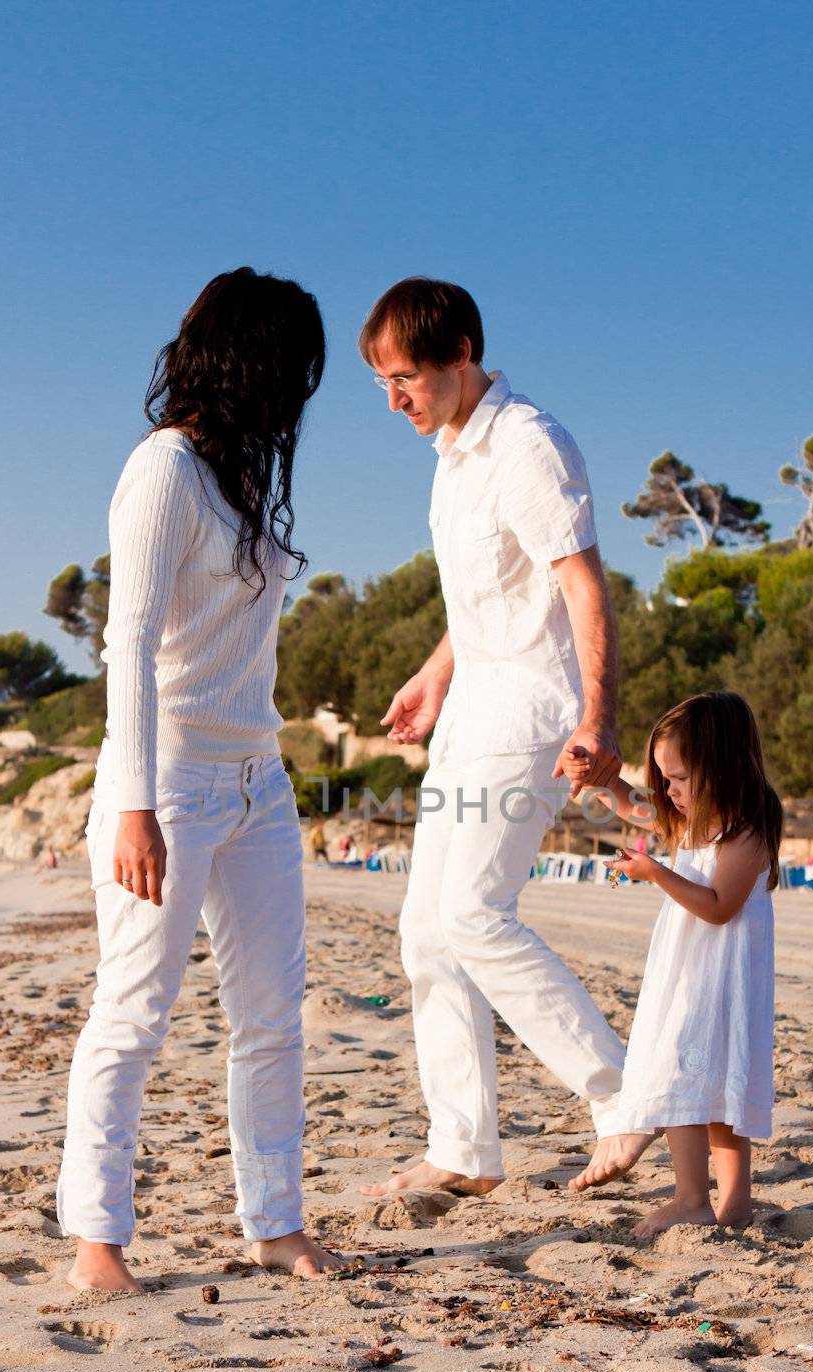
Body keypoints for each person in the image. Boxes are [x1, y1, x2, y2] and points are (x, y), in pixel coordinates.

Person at [55, 268, 338, 1293]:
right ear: (245, 358)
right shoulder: (164, 469)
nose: (298, 390)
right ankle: (96, 1240)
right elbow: (124, 642)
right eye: (290, 365)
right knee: (134, 1010)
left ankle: (273, 1223)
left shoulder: (240, 477)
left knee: (271, 1014)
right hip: (166, 779)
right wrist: (131, 803)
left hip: (258, 778)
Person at [355, 277, 628, 1201]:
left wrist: (599, 721)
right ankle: (463, 1148)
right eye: (383, 383)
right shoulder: (450, 452)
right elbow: (484, 593)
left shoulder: (528, 445)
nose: (395, 400)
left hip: (531, 716)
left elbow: (582, 586)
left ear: (461, 353)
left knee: (474, 913)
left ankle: (625, 1095)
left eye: (407, 379)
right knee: (427, 931)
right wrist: (437, 673)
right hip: (472, 710)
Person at [568, 691, 781, 1236]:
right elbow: (631, 802)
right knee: (706, 1087)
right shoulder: (693, 820)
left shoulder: (744, 832)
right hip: (690, 973)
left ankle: (696, 1199)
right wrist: (598, 778)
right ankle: (733, 1210)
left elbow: (718, 907)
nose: (668, 791)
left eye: (679, 777)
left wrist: (656, 873)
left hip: (717, 981)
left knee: (691, 1083)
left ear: (721, 765)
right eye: (664, 778)